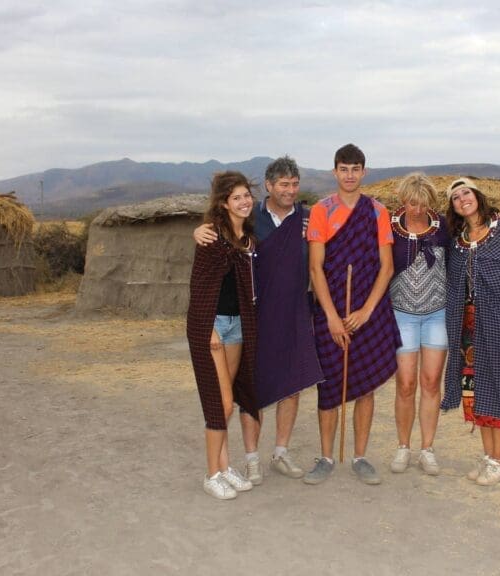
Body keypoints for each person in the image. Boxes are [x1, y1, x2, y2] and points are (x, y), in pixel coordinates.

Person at [192, 156, 324, 484]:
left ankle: (280, 451)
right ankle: (249, 459)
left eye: (294, 184)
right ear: (269, 186)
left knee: (291, 386)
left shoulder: (308, 220)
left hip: (291, 313)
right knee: (250, 387)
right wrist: (199, 229)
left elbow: (321, 262)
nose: (290, 190)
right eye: (283, 184)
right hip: (253, 318)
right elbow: (214, 247)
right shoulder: (252, 218)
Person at [304, 143, 400, 486]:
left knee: (366, 385)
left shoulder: (377, 212)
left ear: (364, 172)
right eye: (343, 169)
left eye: (355, 169)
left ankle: (360, 456)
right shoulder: (321, 210)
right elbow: (315, 269)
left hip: (367, 312)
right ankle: (326, 457)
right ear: (335, 172)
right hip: (330, 309)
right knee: (328, 386)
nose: (349, 175)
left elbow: (386, 267)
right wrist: (330, 316)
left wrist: (366, 310)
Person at [441, 177, 500, 486]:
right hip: (469, 325)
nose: (462, 198)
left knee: (499, 385)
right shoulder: (457, 238)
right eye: (455, 197)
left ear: (477, 195)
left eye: (466, 192)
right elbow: (455, 279)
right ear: (453, 207)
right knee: (476, 391)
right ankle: (489, 457)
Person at [186, 171, 260, 500]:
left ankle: (225, 466)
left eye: (247, 196)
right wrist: (209, 327)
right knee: (222, 403)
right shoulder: (211, 238)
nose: (244, 202)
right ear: (223, 203)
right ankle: (211, 473)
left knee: (227, 403)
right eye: (237, 197)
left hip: (238, 325)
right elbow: (199, 286)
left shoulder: (248, 240)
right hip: (213, 324)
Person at [386, 173, 451, 476]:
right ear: (403, 201)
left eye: (422, 204)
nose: (416, 209)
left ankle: (427, 448)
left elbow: (470, 237)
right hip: (402, 315)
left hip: (437, 314)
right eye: (411, 203)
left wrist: (498, 217)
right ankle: (403, 447)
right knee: (406, 383)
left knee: (430, 382)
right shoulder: (390, 228)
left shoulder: (443, 227)